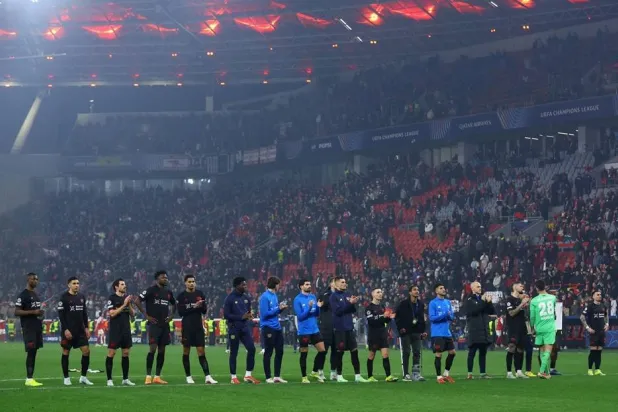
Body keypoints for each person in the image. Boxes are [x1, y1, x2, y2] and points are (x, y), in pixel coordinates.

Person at [134, 270, 176, 385]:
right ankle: (148, 376)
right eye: (163, 277)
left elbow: (174, 304)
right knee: (152, 349)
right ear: (157, 279)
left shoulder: (168, 292)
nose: (165, 279)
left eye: (166, 277)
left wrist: (172, 315)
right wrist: (146, 315)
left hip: (164, 325)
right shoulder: (150, 290)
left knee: (162, 351)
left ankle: (157, 376)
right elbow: (137, 300)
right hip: (154, 325)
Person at [176, 274, 217, 385]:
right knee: (186, 351)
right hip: (187, 327)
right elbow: (181, 312)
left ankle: (208, 377)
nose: (191, 283)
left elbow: (204, 311)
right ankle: (188, 376)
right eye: (189, 281)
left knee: (201, 351)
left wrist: (201, 306)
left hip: (198, 327)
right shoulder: (181, 296)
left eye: (193, 281)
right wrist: (194, 307)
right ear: (185, 283)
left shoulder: (200, 294)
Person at [329, 276, 368, 383]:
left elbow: (352, 310)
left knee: (354, 352)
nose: (344, 284)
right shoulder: (333, 296)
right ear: (336, 284)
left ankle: (358, 375)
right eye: (342, 282)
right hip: (339, 328)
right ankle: (339, 375)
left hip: (349, 327)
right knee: (340, 352)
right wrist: (349, 303)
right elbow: (337, 311)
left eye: (345, 282)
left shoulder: (347, 294)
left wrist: (353, 302)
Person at [224, 276, 260, 384]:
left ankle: (248, 375)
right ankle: (233, 377)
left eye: (245, 284)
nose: (245, 286)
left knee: (252, 349)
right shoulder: (229, 298)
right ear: (237, 285)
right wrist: (241, 317)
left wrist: (249, 316)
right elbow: (226, 315)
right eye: (243, 284)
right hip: (234, 329)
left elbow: (247, 312)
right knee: (234, 352)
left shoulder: (246, 298)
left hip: (244, 328)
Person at [57, 276, 93, 386]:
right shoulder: (63, 297)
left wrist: (86, 327)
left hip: (80, 331)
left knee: (86, 351)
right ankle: (66, 378)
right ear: (69, 285)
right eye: (74, 283)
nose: (77, 285)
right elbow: (61, 316)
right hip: (68, 331)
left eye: (78, 283)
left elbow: (84, 314)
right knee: (66, 352)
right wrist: (66, 330)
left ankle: (83, 377)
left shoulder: (81, 297)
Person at [293, 279, 327, 383]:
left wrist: (318, 307)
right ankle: (304, 377)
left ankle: (314, 371)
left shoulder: (313, 297)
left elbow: (316, 314)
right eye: (306, 284)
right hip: (304, 331)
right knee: (304, 354)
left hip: (314, 329)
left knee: (322, 351)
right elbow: (300, 317)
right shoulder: (297, 299)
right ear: (301, 286)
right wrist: (309, 307)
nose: (309, 286)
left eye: (309, 284)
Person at [14, 272, 44, 387]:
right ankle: (29, 379)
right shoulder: (23, 295)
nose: (36, 281)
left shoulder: (35, 295)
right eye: (33, 279)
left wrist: (40, 314)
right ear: (28, 280)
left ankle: (31, 378)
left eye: (37, 279)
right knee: (31, 352)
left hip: (37, 327)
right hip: (28, 328)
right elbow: (17, 311)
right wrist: (33, 312)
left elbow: (36, 311)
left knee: (34, 352)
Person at [105, 278, 136, 386]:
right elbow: (112, 314)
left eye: (125, 284)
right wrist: (124, 304)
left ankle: (125, 379)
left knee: (126, 353)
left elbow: (133, 315)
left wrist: (129, 304)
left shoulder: (127, 299)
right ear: (116, 287)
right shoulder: (112, 298)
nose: (125, 286)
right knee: (112, 353)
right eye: (122, 284)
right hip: (115, 331)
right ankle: (109, 379)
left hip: (126, 330)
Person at [259, 276, 288, 383]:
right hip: (268, 327)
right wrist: (277, 308)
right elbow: (265, 314)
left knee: (280, 351)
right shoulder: (264, 297)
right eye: (278, 284)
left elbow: (275, 312)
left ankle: (276, 376)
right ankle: (268, 377)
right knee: (269, 352)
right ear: (275, 285)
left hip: (277, 326)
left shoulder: (274, 295)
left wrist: (281, 309)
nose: (279, 286)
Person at [365, 288, 398, 382]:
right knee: (371, 355)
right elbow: (371, 321)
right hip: (373, 334)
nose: (380, 294)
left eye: (381, 292)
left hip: (382, 333)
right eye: (378, 292)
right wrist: (383, 316)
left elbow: (385, 321)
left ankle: (388, 376)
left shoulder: (382, 307)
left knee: (385, 354)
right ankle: (370, 376)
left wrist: (389, 318)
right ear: (373, 294)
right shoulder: (369, 308)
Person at [395, 285, 427, 382]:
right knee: (406, 352)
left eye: (418, 289)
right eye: (414, 290)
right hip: (406, 332)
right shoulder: (403, 304)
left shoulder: (421, 304)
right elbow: (397, 318)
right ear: (410, 292)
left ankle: (415, 374)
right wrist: (401, 328)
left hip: (417, 331)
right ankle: (406, 374)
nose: (417, 291)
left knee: (417, 352)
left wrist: (423, 331)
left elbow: (422, 319)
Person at [464, 281, 495, 379]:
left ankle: (483, 373)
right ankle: (469, 373)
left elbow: (492, 311)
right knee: (472, 352)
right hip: (474, 329)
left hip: (484, 329)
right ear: (472, 288)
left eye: (480, 286)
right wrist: (482, 301)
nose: (480, 288)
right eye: (477, 286)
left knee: (483, 352)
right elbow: (474, 311)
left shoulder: (483, 299)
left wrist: (489, 302)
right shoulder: (469, 299)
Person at [428, 283, 456, 384]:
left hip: (447, 332)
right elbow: (432, 318)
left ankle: (446, 373)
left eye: (444, 288)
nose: (443, 289)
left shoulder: (448, 302)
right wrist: (445, 315)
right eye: (441, 288)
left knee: (452, 353)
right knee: (439, 354)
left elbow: (452, 316)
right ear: (436, 291)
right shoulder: (433, 303)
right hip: (437, 333)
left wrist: (450, 317)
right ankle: (439, 376)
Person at [529, 280, 556, 379]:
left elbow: (532, 317)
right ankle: (541, 372)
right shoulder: (553, 298)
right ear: (545, 286)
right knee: (548, 350)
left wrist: (532, 328)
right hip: (549, 327)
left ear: (536, 288)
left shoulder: (534, 300)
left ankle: (546, 373)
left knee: (541, 350)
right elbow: (553, 311)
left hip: (539, 327)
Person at [312, 277, 337, 381]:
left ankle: (333, 372)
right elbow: (322, 304)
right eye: (337, 282)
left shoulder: (342, 295)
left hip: (337, 326)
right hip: (326, 327)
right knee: (323, 350)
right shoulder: (325, 294)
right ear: (331, 284)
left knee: (336, 351)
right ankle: (319, 370)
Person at [580, 290, 609, 376]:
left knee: (599, 350)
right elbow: (582, 317)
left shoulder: (604, 306)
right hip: (593, 331)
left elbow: (606, 315)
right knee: (593, 350)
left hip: (601, 331)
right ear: (593, 297)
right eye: (597, 294)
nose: (599, 296)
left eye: (600, 294)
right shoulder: (590, 306)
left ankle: (597, 369)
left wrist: (607, 324)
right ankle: (589, 369)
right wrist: (587, 328)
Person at [505, 283, 530, 379]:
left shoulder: (521, 299)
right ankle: (509, 372)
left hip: (522, 327)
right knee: (512, 347)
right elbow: (511, 313)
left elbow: (525, 314)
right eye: (520, 286)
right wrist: (522, 304)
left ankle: (519, 371)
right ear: (514, 287)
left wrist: (526, 305)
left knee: (520, 348)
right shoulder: (509, 299)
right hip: (513, 328)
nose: (522, 287)